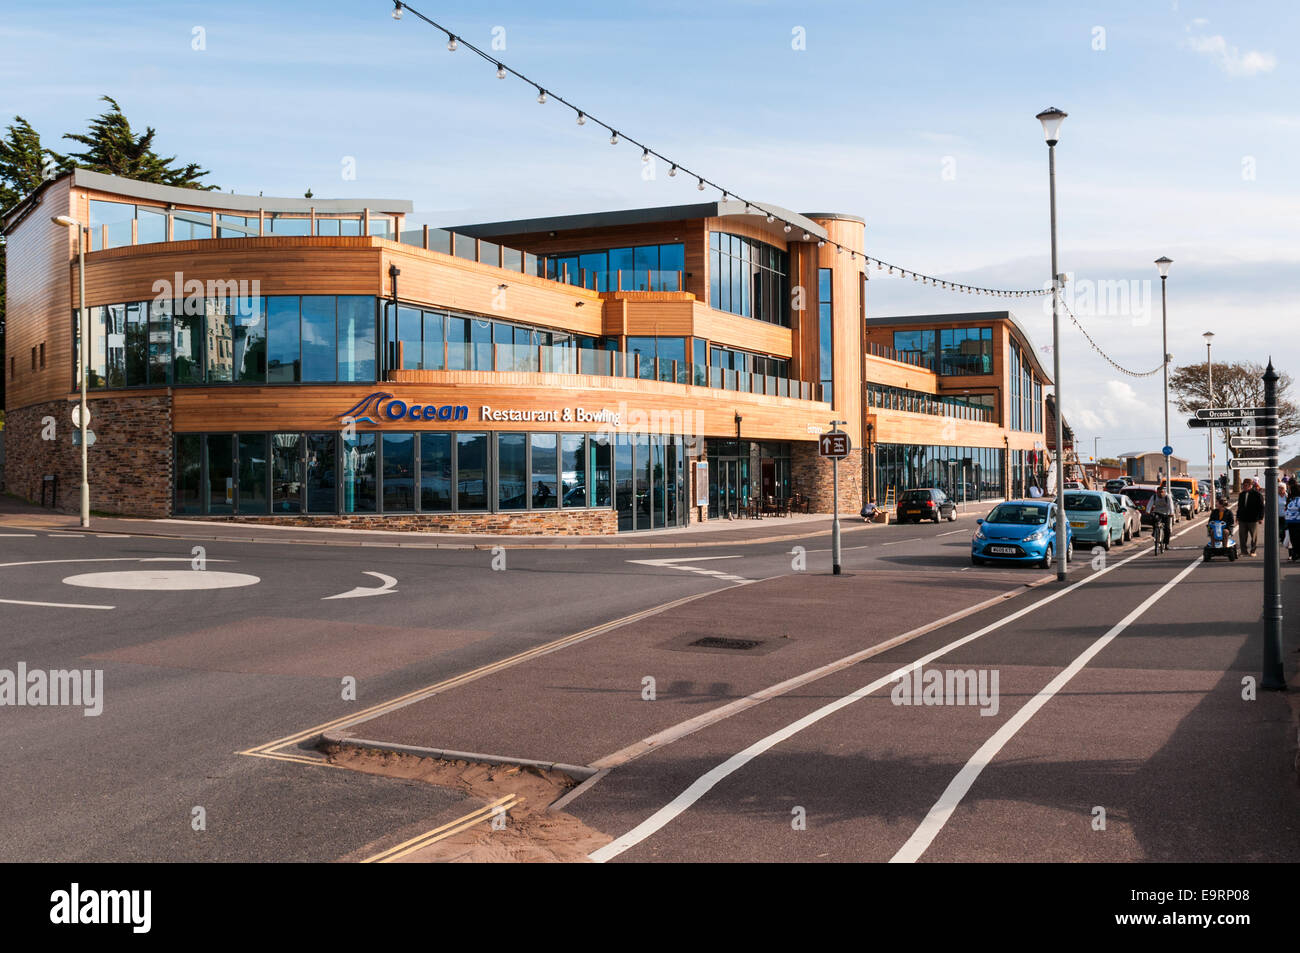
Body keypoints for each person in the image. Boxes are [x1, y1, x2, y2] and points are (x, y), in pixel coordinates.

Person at [1236, 477, 1265, 557]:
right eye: (1243, 485)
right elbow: (1239, 506)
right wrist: (1237, 517)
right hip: (1242, 519)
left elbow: (1261, 507)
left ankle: (1253, 551)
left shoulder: (1257, 494)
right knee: (1242, 536)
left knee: (1254, 537)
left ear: (1250, 485)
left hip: (1253, 519)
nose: (1244, 487)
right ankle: (1244, 551)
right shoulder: (1241, 494)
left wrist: (1261, 517)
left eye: (1246, 485)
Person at [1146, 484, 1175, 549]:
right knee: (1154, 519)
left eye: (1162, 492)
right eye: (1159, 492)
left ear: (1164, 492)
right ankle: (1154, 531)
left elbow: (1171, 506)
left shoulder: (1167, 497)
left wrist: (1171, 513)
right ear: (1157, 492)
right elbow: (1149, 504)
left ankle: (1166, 543)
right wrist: (1148, 511)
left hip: (1166, 513)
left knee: (1167, 529)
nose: (1160, 494)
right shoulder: (1154, 497)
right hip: (1157, 512)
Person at [1288, 484, 1300, 562]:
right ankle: (1295, 554)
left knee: (1295, 540)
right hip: (1292, 522)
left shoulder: (1297, 500)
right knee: (1294, 540)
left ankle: (1296, 554)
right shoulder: (1292, 499)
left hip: (1295, 522)